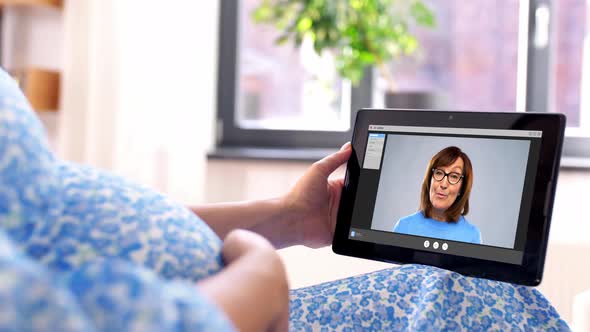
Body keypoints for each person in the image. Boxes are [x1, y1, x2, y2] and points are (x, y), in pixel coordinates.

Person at [0, 69, 568, 331]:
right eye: (438, 175)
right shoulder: (401, 220)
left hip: (219, 295)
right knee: (468, 298)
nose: (445, 184)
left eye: (456, 178)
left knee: (457, 284)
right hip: (233, 311)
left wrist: (286, 220)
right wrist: (262, 272)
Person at [393, 146, 482, 244]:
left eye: (454, 176)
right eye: (439, 173)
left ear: (462, 188)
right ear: (429, 180)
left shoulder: (472, 236)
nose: (443, 184)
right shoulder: (403, 227)